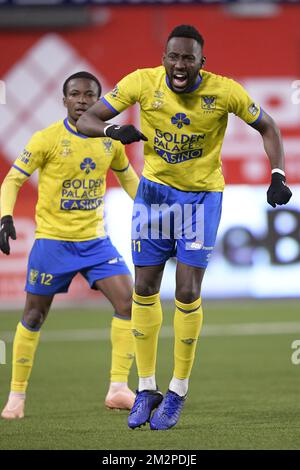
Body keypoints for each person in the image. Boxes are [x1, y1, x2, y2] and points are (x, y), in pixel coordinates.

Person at [76, 25, 292, 431]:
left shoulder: (225, 92)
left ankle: (177, 392)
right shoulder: (142, 82)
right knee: (144, 289)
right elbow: (88, 117)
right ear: (164, 57)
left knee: (189, 290)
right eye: (173, 56)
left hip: (200, 199)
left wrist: (277, 174)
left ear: (200, 62)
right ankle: (145, 389)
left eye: (187, 58)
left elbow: (270, 127)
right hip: (154, 197)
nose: (179, 65)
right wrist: (112, 130)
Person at [0, 71, 140, 420]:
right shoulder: (46, 138)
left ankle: (118, 388)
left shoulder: (110, 140)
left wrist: (153, 211)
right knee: (34, 315)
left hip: (95, 242)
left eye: (89, 95)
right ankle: (16, 396)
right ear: (64, 100)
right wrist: (4, 216)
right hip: (53, 242)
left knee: (129, 303)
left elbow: (127, 178)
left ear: (99, 99)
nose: (82, 100)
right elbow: (14, 178)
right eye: (75, 94)